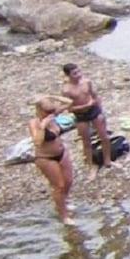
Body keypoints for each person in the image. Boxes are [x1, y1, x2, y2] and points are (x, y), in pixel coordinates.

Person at [29, 95, 75, 225]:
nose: (50, 113)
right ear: (39, 110)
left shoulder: (52, 115)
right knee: (59, 186)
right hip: (46, 158)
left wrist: (51, 96)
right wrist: (43, 126)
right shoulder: (34, 123)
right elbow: (37, 142)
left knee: (68, 181)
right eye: (47, 111)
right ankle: (64, 216)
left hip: (61, 153)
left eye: (52, 110)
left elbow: (70, 102)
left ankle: (62, 202)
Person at [58, 62, 112, 171]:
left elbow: (94, 95)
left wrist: (100, 109)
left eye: (79, 71)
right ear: (68, 75)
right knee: (86, 141)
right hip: (81, 115)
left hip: (94, 111)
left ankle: (108, 160)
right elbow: (70, 109)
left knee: (104, 137)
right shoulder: (66, 90)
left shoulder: (86, 82)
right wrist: (85, 106)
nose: (78, 75)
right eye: (74, 73)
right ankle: (91, 166)